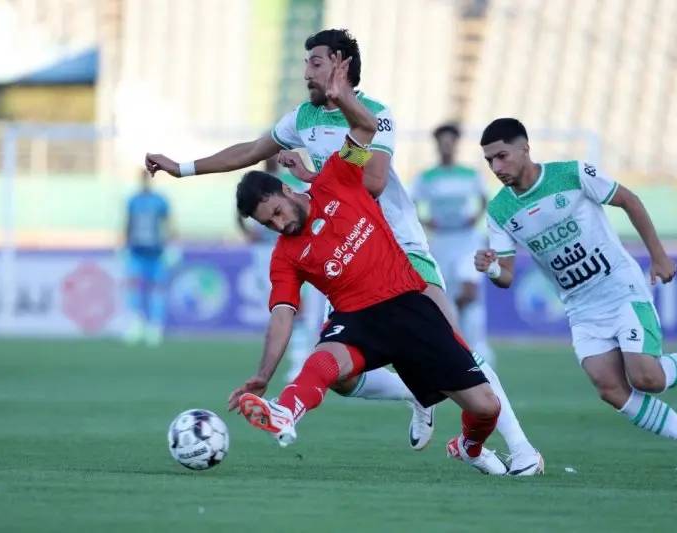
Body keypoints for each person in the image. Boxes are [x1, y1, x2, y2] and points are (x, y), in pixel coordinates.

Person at [146, 29, 542, 476]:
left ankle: (520, 449)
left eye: (314, 62)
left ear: (340, 63)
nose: (306, 72)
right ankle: (414, 393)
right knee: (343, 374)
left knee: (455, 343)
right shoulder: (303, 118)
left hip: (398, 245)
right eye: (305, 63)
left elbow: (371, 182)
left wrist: (312, 178)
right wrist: (182, 168)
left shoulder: (376, 114)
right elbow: (253, 151)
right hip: (334, 249)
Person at [227, 52, 508, 474]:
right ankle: (285, 411)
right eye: (269, 224)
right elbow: (282, 315)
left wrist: (340, 95)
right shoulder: (285, 256)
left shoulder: (336, 178)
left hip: (408, 305)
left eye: (278, 213)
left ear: (286, 191)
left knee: (486, 407)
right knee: (325, 361)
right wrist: (263, 375)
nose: (280, 225)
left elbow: (365, 128)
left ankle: (469, 446)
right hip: (358, 319)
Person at [476, 117, 677, 471]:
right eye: (489, 161)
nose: (496, 167)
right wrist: (492, 268)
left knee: (647, 378)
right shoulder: (499, 210)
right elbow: (506, 276)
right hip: (581, 308)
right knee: (609, 387)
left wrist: (659, 257)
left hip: (620, 290)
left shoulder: (571, 174)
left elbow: (629, 200)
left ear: (525, 148)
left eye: (501, 156)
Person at [411, 122, 496, 368]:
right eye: (443, 141)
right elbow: (411, 204)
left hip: (467, 239)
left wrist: (475, 217)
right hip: (441, 241)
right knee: (444, 296)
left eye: (451, 141)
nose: (447, 146)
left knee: (469, 291)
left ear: (456, 144)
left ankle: (478, 349)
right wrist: (426, 221)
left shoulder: (470, 174)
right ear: (437, 145)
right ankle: (455, 349)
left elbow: (484, 199)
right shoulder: (425, 177)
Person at [237, 155, 322, 381]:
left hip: (296, 248)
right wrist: (248, 233)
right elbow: (239, 216)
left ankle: (301, 361)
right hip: (265, 253)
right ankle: (301, 360)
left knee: (302, 308)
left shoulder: (289, 180)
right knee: (284, 306)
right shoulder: (252, 188)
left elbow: (307, 202)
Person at [121, 170, 177, 346]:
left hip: (156, 252)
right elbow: (128, 223)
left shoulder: (160, 200)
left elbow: (169, 223)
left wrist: (172, 245)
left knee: (157, 289)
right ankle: (137, 323)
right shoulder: (133, 201)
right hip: (136, 251)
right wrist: (124, 245)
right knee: (134, 288)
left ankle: (155, 326)